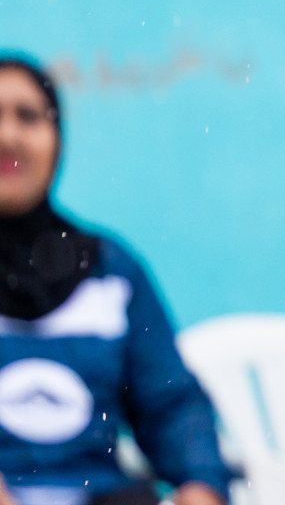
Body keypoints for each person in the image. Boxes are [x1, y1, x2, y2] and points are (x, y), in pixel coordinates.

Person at [0, 55, 231, 505]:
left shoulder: (111, 271)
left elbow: (171, 404)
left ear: (58, 140)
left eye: (28, 117)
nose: (8, 137)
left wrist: (202, 484)